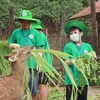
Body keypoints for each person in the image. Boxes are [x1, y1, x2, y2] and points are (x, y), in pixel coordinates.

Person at [8, 10, 44, 100]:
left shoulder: (35, 33)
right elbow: (10, 43)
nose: (26, 23)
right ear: (20, 22)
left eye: (28, 21)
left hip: (32, 64)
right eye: (23, 21)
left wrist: (40, 61)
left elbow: (40, 48)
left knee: (33, 88)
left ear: (31, 22)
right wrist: (12, 45)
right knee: (19, 88)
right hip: (19, 66)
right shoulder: (16, 32)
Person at [63, 20, 93, 100]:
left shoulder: (88, 47)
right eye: (71, 33)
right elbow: (65, 62)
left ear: (81, 33)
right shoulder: (68, 46)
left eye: (75, 32)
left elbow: (91, 62)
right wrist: (73, 61)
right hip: (71, 81)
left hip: (83, 81)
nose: (73, 35)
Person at [31, 19, 53, 100]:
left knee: (40, 86)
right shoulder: (42, 34)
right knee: (45, 85)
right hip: (47, 65)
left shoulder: (37, 35)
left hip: (40, 66)